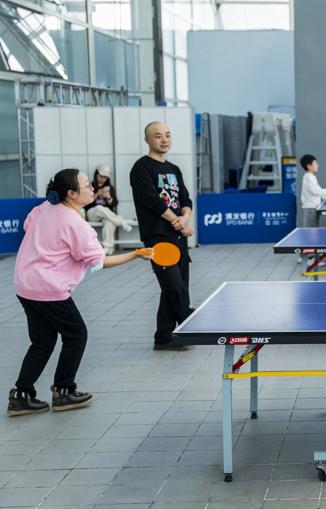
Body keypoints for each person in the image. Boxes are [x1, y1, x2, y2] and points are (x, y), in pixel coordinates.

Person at [8, 169, 146, 416]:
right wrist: (136, 254)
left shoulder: (44, 208)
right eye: (86, 185)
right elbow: (100, 262)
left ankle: (21, 396)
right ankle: (64, 391)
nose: (92, 188)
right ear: (72, 193)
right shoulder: (76, 225)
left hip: (24, 285)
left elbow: (29, 225)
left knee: (42, 342)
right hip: (48, 289)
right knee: (76, 334)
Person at [130, 122, 194, 351]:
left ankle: (164, 337)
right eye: (158, 136)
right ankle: (190, 320)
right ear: (147, 139)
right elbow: (152, 201)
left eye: (167, 135)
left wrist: (184, 219)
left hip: (179, 236)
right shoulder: (141, 168)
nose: (164, 139)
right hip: (158, 236)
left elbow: (185, 199)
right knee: (174, 287)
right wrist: (176, 221)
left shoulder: (174, 168)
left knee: (176, 287)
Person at [84, 163, 132, 255]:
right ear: (96, 174)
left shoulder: (110, 188)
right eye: (101, 176)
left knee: (109, 222)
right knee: (99, 207)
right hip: (92, 213)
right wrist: (97, 194)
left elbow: (115, 203)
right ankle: (121, 221)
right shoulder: (90, 186)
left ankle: (107, 248)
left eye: (105, 177)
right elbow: (85, 203)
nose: (103, 179)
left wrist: (109, 197)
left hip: (107, 215)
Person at [298, 154, 326, 228]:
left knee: (314, 231)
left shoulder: (311, 177)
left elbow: (320, 193)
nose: (317, 165)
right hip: (310, 210)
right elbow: (316, 191)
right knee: (310, 233)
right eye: (315, 163)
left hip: (314, 209)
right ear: (309, 166)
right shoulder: (309, 177)